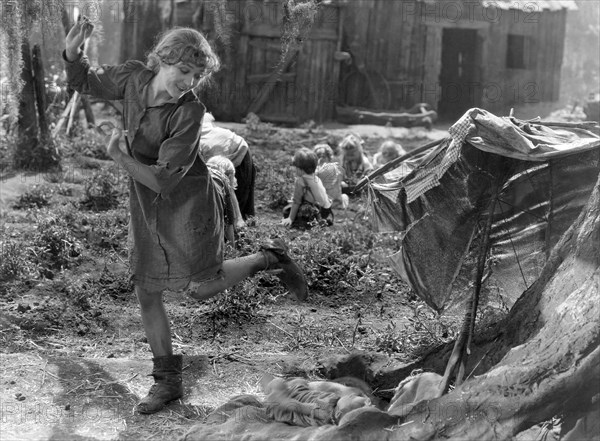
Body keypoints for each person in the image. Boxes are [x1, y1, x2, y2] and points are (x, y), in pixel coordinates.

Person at [65, 17, 308, 414]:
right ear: (162, 60)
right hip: (145, 199)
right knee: (147, 289)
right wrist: (72, 54)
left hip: (186, 200)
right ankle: (168, 382)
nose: (189, 81)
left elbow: (163, 181)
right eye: (184, 71)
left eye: (197, 75)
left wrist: (120, 156)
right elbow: (85, 81)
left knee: (199, 288)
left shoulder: (189, 112)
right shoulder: (131, 78)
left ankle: (269, 258)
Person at [199, 113, 256, 220]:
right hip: (222, 150)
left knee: (238, 193)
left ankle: (240, 225)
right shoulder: (193, 136)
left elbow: (227, 186)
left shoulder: (205, 147)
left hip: (239, 151)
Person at [261, 374, 375, 426]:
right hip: (303, 393)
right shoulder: (339, 404)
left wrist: (282, 399)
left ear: (341, 411)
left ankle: (272, 388)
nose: (350, 396)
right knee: (298, 381)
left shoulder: (324, 413)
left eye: (351, 398)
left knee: (277, 382)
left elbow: (298, 407)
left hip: (290, 403)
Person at [281, 148, 333, 228]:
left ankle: (309, 222)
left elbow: (296, 202)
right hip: (327, 209)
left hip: (317, 211)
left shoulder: (300, 181)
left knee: (286, 210)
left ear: (300, 169)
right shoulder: (316, 177)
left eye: (295, 167)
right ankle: (323, 220)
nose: (294, 169)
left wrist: (290, 219)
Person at [206, 155, 246, 245]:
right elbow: (229, 221)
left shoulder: (197, 172)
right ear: (230, 175)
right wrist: (232, 249)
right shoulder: (223, 180)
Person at [313, 143, 349, 210]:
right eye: (318, 156)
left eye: (323, 156)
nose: (321, 159)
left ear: (328, 157)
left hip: (332, 200)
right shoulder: (316, 170)